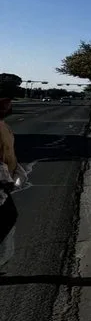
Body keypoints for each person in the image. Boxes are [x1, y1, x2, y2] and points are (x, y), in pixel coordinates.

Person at [0, 98, 19, 271]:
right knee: (8, 216)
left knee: (8, 217)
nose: (8, 107)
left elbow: (7, 152)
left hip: (4, 180)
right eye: (5, 105)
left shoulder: (4, 126)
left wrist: (16, 169)